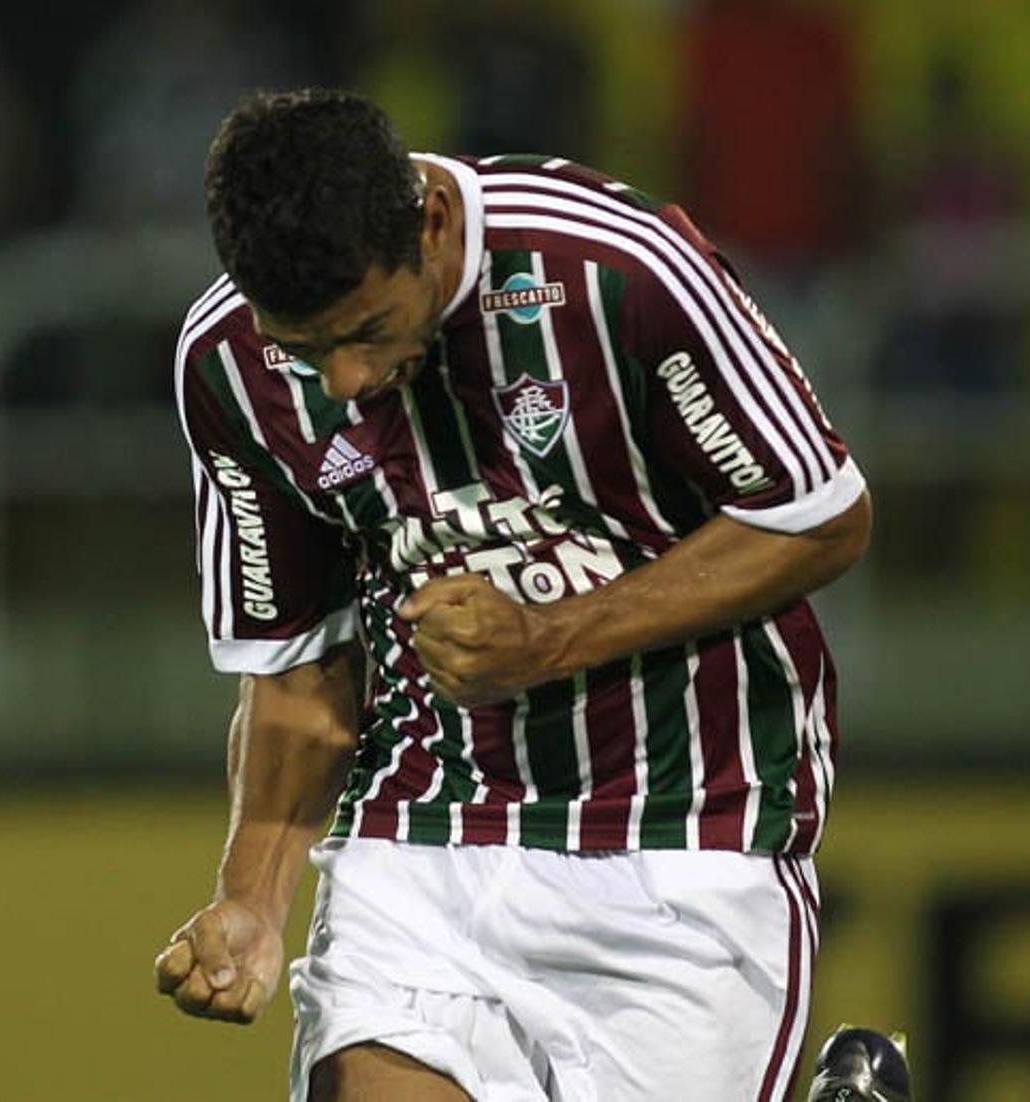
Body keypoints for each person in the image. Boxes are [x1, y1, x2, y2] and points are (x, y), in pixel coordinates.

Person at [154, 88, 870, 1101]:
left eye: (367, 329)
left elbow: (818, 511)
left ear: (431, 225)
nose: (348, 380)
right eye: (308, 350)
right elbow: (297, 672)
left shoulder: (613, 268)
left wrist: (549, 639)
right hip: (423, 831)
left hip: (681, 834)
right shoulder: (228, 363)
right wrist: (252, 898)